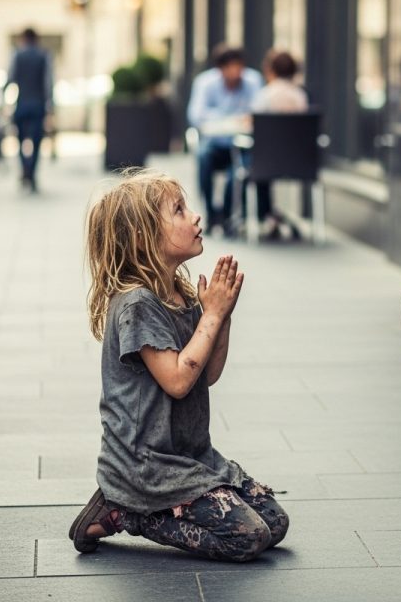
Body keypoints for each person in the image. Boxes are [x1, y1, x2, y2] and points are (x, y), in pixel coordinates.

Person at [69, 169, 289, 561]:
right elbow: (177, 381)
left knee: (275, 523)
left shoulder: (178, 293)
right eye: (179, 210)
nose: (195, 216)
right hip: (146, 467)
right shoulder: (137, 304)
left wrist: (220, 317)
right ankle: (126, 511)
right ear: (143, 238)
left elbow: (209, 374)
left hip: (188, 457)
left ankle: (136, 507)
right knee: (247, 537)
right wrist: (211, 316)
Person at [187, 45, 264, 235]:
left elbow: (259, 113)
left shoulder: (253, 81)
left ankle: (230, 216)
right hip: (216, 143)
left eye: (239, 67)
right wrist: (231, 119)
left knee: (237, 173)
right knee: (203, 157)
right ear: (220, 69)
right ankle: (211, 213)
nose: (236, 73)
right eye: (230, 67)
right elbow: (196, 116)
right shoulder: (205, 83)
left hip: (243, 144)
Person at [251, 49, 309, 240]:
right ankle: (281, 216)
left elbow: (255, 126)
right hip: (299, 163)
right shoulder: (301, 96)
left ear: (270, 70)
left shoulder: (265, 95)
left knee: (252, 163)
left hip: (267, 163)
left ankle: (266, 217)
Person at [3, 27, 53, 192]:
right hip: (38, 105)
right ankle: (30, 173)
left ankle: (25, 169)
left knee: (20, 140)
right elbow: (48, 83)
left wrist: (4, 101)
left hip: (22, 104)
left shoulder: (18, 55)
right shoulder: (44, 56)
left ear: (24, 39)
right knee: (37, 142)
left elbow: (10, 79)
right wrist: (50, 105)